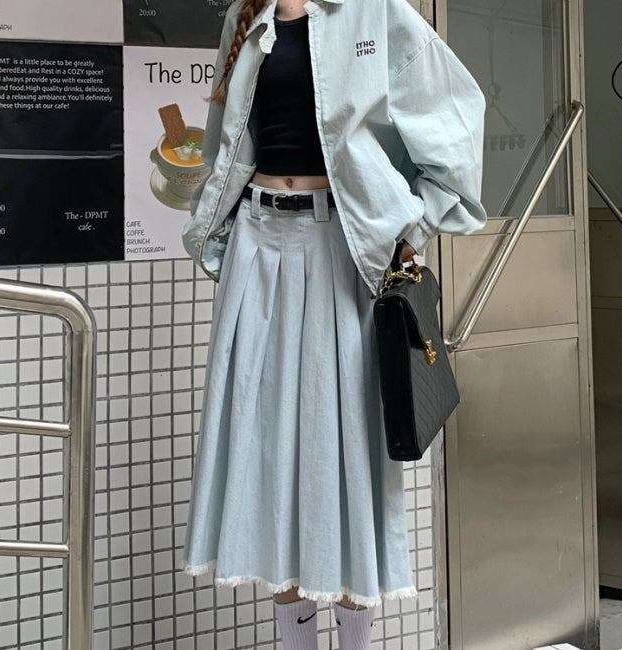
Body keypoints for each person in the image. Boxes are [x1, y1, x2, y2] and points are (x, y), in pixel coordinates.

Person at [180, 0, 487, 647]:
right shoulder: (245, 17)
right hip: (257, 245)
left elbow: (455, 109)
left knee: (349, 453)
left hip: (342, 250)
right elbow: (224, 141)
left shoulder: (375, 12)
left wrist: (411, 223)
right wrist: (211, 228)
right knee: (267, 447)